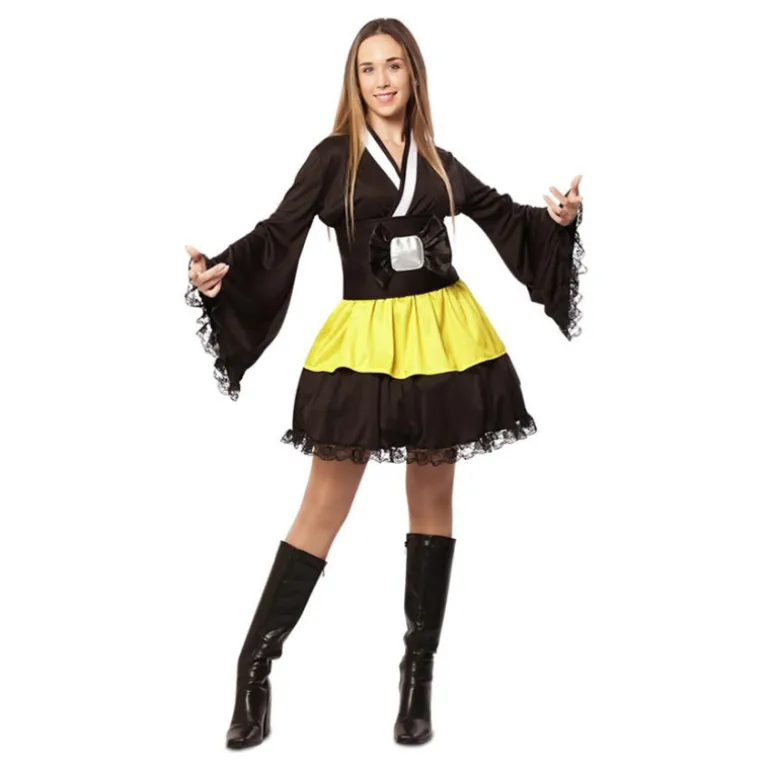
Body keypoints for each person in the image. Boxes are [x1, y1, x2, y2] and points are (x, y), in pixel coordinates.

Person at [184, 17, 585, 749]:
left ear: (413, 74)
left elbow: (502, 217)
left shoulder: (437, 161)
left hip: (441, 339)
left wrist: (557, 220)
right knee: (322, 506)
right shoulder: (333, 157)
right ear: (354, 80)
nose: (381, 80)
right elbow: (279, 231)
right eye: (368, 68)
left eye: (393, 65)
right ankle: (254, 671)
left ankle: (416, 681)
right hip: (365, 344)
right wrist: (222, 270)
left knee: (433, 499)